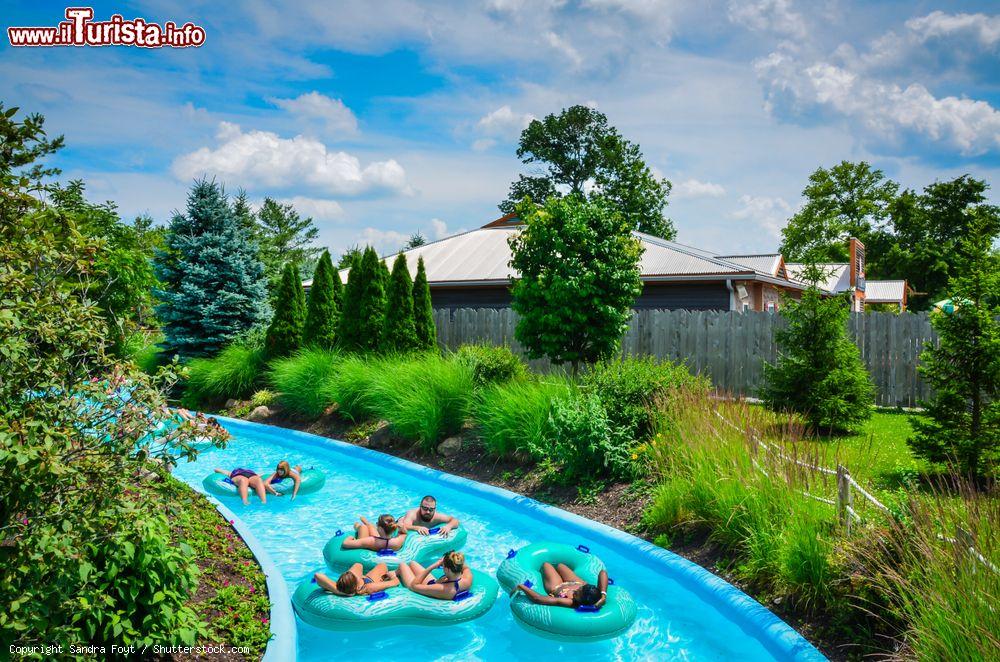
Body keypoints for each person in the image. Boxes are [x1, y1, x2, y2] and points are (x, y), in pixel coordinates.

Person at [511, 563, 608, 609]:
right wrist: (603, 595)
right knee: (560, 566)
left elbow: (538, 599)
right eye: (579, 590)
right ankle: (580, 584)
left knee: (546, 565)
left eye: (577, 594)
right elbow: (603, 573)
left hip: (557, 586)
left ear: (581, 601)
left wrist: (522, 587)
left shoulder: (570, 602)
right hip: (575, 582)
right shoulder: (595, 595)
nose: (575, 591)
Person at [397, 550, 473, 600]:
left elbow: (414, 586)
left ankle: (395, 575)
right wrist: (450, 559)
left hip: (425, 588)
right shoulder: (467, 579)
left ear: (447, 569)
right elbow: (465, 568)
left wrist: (434, 565)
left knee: (402, 565)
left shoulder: (443, 589)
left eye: (442, 565)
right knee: (412, 563)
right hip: (437, 584)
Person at [313, 562, 399, 597]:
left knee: (358, 565)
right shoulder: (370, 587)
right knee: (382, 565)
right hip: (368, 581)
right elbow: (395, 582)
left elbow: (317, 575)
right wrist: (392, 575)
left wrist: (337, 591)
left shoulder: (337, 587)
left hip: (354, 585)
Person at [340, 514, 407, 552]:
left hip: (370, 544)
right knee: (371, 526)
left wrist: (350, 537)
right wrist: (401, 528)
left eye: (377, 524)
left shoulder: (371, 540)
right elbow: (404, 533)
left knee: (363, 527)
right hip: (382, 541)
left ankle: (357, 526)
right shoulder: (397, 542)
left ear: (380, 528)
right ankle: (367, 523)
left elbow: (345, 544)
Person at [213, 467, 279, 505]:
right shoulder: (230, 473)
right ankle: (245, 501)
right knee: (243, 480)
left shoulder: (254, 474)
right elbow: (216, 470)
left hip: (252, 476)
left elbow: (263, 475)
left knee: (258, 480)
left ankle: (263, 501)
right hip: (238, 476)